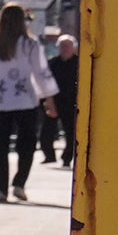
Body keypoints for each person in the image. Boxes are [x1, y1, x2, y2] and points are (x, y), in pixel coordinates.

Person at [0, 1, 57, 202]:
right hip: (25, 100)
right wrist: (49, 98)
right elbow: (41, 72)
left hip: (0, 100)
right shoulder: (30, 44)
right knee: (27, 144)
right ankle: (19, 183)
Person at [46, 32, 81, 163]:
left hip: (72, 102)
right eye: (62, 45)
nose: (65, 48)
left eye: (68, 45)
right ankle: (49, 156)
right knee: (47, 132)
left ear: (74, 47)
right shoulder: (53, 63)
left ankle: (67, 157)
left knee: (71, 132)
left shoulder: (79, 63)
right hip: (54, 101)